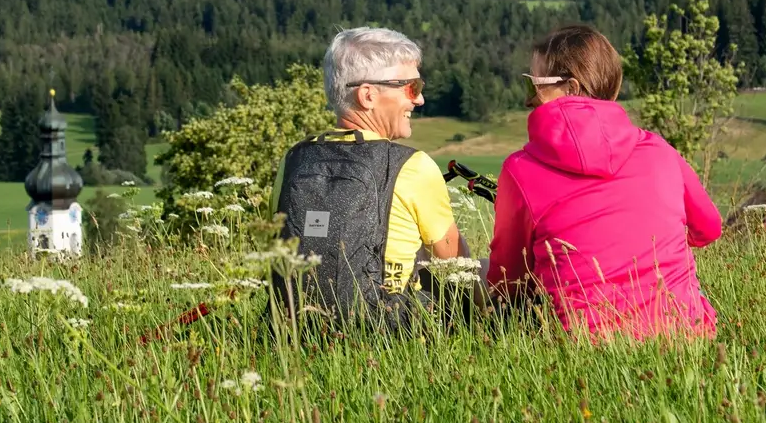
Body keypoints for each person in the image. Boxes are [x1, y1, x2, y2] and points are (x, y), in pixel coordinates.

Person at [485, 24, 722, 339]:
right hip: (686, 338)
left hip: (585, 347)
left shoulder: (520, 169)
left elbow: (506, 279)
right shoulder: (659, 150)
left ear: (571, 88)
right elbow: (709, 228)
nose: (530, 100)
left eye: (534, 86)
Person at [272, 27, 468, 325]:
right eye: (411, 87)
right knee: (482, 271)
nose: (419, 99)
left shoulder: (293, 160)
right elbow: (456, 262)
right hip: (388, 330)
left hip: (293, 328)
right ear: (368, 95)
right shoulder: (412, 165)